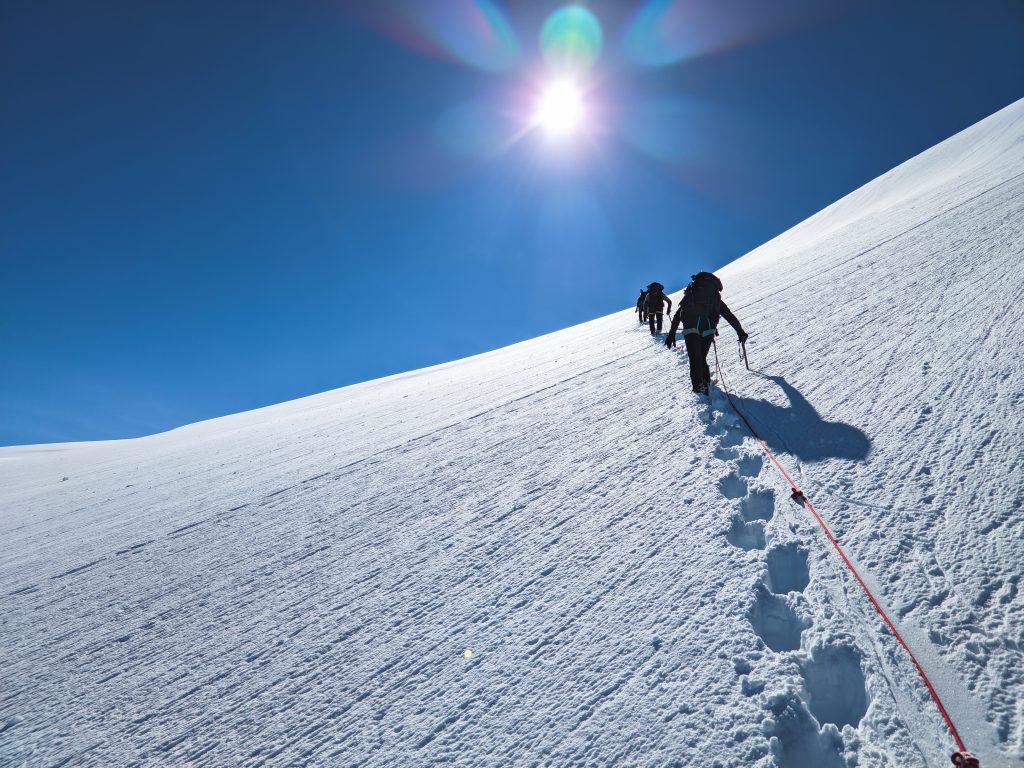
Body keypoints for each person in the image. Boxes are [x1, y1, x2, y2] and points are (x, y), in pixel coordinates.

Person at [665, 272, 748, 394]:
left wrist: (671, 334)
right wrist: (740, 332)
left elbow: (678, 315)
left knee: (695, 358)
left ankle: (698, 387)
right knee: (701, 356)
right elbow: (729, 316)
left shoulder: (690, 295)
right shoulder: (715, 298)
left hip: (690, 328)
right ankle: (706, 382)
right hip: (708, 329)